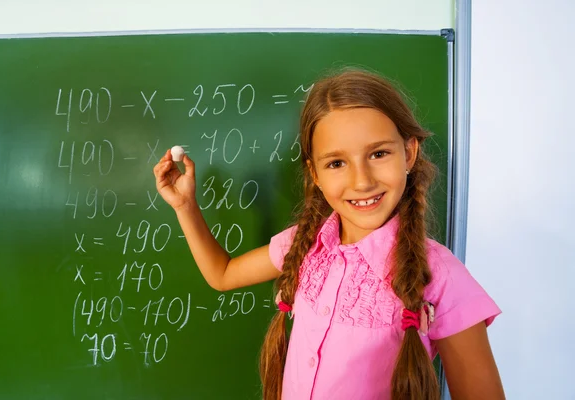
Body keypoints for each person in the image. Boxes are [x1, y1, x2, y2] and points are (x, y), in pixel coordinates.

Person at [153, 69, 505, 400]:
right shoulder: (304, 245)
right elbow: (223, 273)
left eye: (379, 153)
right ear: (315, 174)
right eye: (337, 163)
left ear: (409, 153)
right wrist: (186, 207)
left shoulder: (441, 276)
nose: (362, 181)